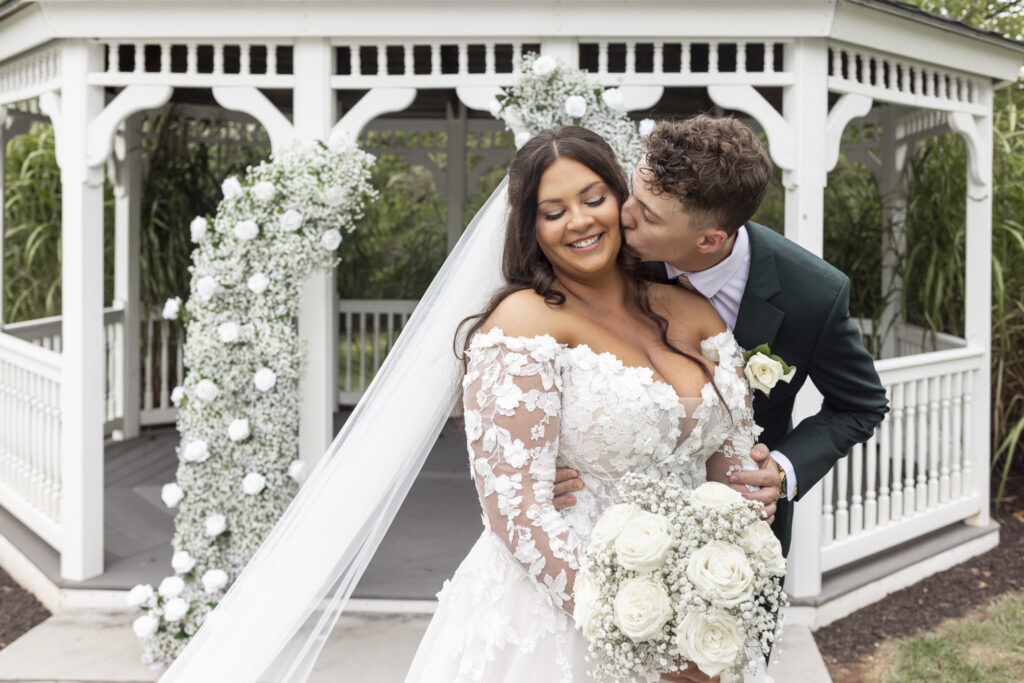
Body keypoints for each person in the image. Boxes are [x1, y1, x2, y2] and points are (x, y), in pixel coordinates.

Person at [404, 125, 766, 683]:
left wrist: (713, 607)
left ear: (622, 200)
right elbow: (517, 511)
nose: (579, 221)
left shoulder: (694, 312)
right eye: (553, 211)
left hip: (698, 607)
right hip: (566, 613)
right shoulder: (523, 324)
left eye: (594, 199)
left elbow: (737, 479)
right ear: (531, 227)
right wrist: (640, 638)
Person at [554, 115, 889, 557]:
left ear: (709, 241)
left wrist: (781, 470)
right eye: (632, 192)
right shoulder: (601, 251)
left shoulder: (814, 295)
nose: (623, 214)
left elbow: (860, 405)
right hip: (606, 523)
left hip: (737, 538)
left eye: (648, 216)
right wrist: (540, 461)